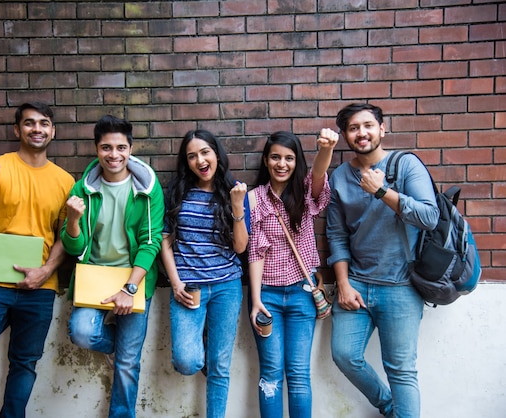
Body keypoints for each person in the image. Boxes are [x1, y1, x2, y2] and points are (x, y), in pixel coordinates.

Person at [0, 102, 75, 418]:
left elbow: (66, 236)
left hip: (39, 285)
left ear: (53, 131)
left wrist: (47, 270)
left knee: (24, 362)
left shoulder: (65, 181)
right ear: (17, 130)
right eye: (29, 123)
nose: (37, 129)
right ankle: (7, 314)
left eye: (44, 123)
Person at [326, 103, 439, 418]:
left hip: (401, 286)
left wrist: (382, 192)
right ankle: (390, 407)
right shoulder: (340, 177)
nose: (361, 133)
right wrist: (344, 284)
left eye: (368, 125)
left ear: (382, 129)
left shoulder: (406, 166)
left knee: (401, 370)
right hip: (357, 285)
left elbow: (430, 216)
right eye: (353, 128)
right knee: (345, 354)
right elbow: (336, 236)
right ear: (346, 136)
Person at [61, 115, 164, 418]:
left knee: (128, 364)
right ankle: (118, 347)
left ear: (131, 149)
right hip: (94, 275)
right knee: (81, 333)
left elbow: (150, 242)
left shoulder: (147, 187)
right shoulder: (82, 190)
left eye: (121, 147)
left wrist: (129, 289)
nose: (114, 155)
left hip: (134, 278)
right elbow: (74, 248)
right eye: (106, 147)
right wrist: (72, 220)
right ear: (96, 149)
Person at [248, 130, 338, 417]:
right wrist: (255, 299)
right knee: (271, 374)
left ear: (297, 161)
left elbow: (319, 175)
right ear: (266, 160)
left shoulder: (305, 193)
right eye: (275, 157)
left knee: (299, 375)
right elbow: (255, 251)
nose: (282, 164)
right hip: (268, 297)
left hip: (302, 295)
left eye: (289, 158)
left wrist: (326, 148)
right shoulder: (254, 199)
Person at [160, 130, 249, 418]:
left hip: (227, 286)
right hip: (189, 287)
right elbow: (164, 240)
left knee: (221, 367)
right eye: (192, 156)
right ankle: (206, 351)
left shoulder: (234, 190)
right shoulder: (176, 191)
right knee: (187, 360)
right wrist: (175, 283)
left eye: (205, 152)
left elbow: (240, 247)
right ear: (186, 162)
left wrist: (237, 207)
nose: (200, 160)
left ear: (216, 154)